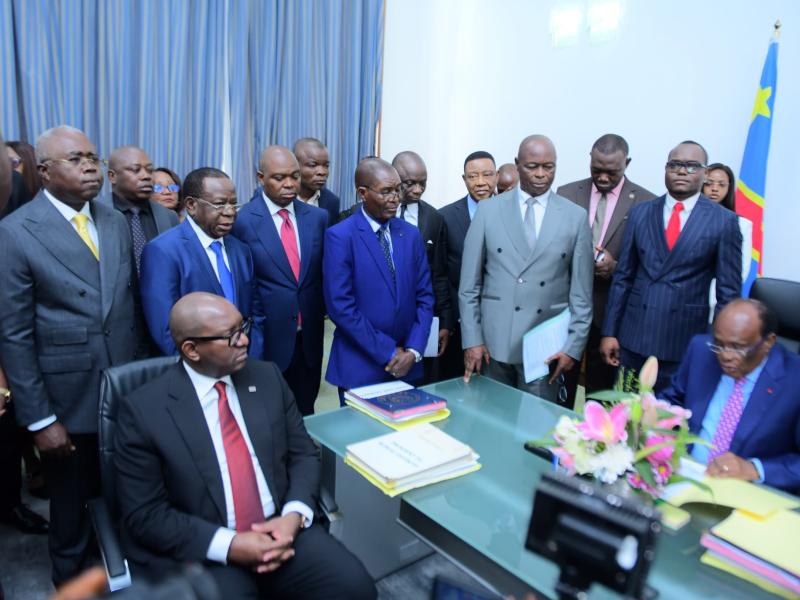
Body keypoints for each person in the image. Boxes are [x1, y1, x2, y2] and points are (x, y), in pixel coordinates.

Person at [115, 293, 376, 599]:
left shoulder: (266, 378)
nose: (244, 341)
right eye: (230, 336)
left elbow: (303, 454)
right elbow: (147, 514)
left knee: (355, 587)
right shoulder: (144, 411)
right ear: (191, 350)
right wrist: (231, 545)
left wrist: (293, 517)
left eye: (243, 327)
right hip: (206, 550)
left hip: (282, 528)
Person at [0, 125, 147, 585]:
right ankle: (71, 586)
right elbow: (15, 333)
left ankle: (120, 577)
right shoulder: (17, 232)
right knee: (70, 509)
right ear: (44, 172)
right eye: (75, 158)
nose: (90, 165)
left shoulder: (113, 220)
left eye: (92, 156)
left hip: (123, 392)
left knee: (125, 496)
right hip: (67, 399)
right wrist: (41, 420)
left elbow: (130, 311)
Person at [459, 135, 593, 405]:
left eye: (549, 167)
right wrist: (472, 340)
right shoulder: (488, 211)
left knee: (537, 427)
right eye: (533, 166)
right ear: (518, 164)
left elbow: (582, 293)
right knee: (493, 422)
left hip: (545, 347)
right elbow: (469, 286)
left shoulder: (574, 217)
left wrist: (573, 347)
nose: (541, 174)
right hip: (493, 343)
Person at [601, 141, 742, 392]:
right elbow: (623, 277)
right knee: (623, 418)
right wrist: (610, 331)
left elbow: (728, 295)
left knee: (666, 424)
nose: (680, 171)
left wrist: (715, 345)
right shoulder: (641, 213)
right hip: (633, 338)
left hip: (683, 341)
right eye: (674, 165)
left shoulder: (724, 222)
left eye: (690, 166)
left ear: (705, 173)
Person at [660, 299, 800, 491]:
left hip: (748, 491)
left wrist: (754, 469)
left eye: (738, 347)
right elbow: (671, 401)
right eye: (719, 344)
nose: (725, 355)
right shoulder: (701, 350)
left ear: (768, 342)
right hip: (685, 474)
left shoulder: (794, 380)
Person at [324, 157, 434, 399]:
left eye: (397, 190)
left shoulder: (410, 234)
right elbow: (341, 307)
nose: (395, 198)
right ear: (363, 193)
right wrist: (388, 352)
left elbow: (425, 296)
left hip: (408, 364)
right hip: (360, 366)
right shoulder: (341, 236)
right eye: (386, 192)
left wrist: (413, 351)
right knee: (360, 436)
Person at [557, 134, 656, 398]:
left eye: (611, 172)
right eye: (596, 170)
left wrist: (616, 267)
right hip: (565, 311)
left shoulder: (646, 203)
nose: (602, 177)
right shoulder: (566, 193)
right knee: (558, 388)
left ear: (628, 163)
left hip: (610, 313)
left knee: (599, 394)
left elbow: (649, 264)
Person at [233, 146, 327, 416]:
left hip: (309, 336)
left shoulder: (318, 218)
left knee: (305, 409)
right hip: (267, 339)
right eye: (279, 177)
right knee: (268, 412)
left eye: (295, 176)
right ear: (260, 177)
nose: (289, 184)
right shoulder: (243, 221)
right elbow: (244, 284)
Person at [140, 167, 264, 358]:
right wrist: (197, 372)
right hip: (196, 368)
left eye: (233, 204)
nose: (230, 212)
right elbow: (165, 328)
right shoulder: (163, 251)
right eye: (220, 204)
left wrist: (251, 360)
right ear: (191, 205)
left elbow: (255, 313)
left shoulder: (241, 250)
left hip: (242, 363)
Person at [437, 151, 498, 380]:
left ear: (497, 176)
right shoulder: (445, 217)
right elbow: (440, 273)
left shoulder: (512, 216)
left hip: (498, 322)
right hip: (458, 322)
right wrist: (447, 320)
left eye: (487, 175)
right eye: (473, 176)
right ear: (464, 179)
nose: (480, 182)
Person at [392, 151, 453, 380]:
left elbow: (439, 274)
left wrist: (445, 321)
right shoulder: (369, 213)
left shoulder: (433, 219)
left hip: (420, 316)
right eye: (410, 183)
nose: (417, 190)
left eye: (422, 184)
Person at [107, 146, 179, 275]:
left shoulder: (169, 217)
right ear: (112, 176)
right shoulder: (95, 213)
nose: (146, 176)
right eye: (136, 170)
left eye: (149, 170)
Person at [703, 162, 753, 283]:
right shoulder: (684, 215)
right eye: (709, 183)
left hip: (717, 296)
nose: (714, 189)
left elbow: (739, 272)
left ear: (729, 188)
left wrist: (714, 299)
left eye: (721, 185)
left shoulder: (741, 224)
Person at [292, 138, 340, 226]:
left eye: (326, 166)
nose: (322, 172)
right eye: (313, 165)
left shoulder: (332, 201)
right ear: (295, 165)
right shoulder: (281, 196)